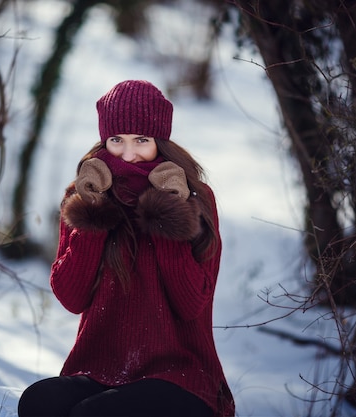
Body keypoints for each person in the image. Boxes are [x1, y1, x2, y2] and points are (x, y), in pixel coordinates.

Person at [17, 80, 235, 417]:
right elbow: (71, 298)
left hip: (180, 374)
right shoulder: (85, 193)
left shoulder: (195, 198)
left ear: (160, 142)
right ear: (104, 139)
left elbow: (191, 304)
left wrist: (166, 211)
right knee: (38, 403)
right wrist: (92, 210)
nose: (128, 154)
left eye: (141, 141)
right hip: (102, 368)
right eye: (117, 140)